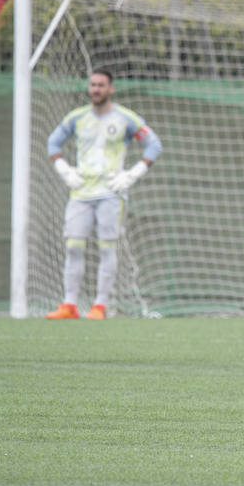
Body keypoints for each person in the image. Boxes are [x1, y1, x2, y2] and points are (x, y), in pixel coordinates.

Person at [45, 68, 162, 320]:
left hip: (111, 193)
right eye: (93, 85)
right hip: (80, 192)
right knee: (74, 246)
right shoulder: (76, 118)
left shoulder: (125, 119)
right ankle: (69, 304)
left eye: (101, 85)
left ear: (111, 89)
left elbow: (153, 144)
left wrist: (132, 173)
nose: (96, 89)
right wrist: (64, 169)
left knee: (107, 248)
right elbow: (53, 143)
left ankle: (100, 305)